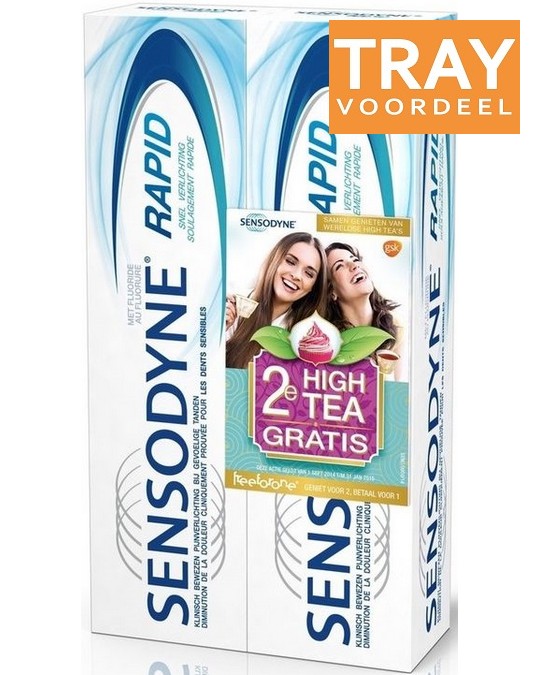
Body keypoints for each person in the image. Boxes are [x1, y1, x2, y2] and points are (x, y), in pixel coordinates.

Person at [226, 232, 327, 369]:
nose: (296, 275)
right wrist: (218, 332)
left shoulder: (306, 339)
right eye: (291, 262)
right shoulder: (235, 304)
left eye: (309, 274)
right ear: (275, 259)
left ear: (313, 287)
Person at [325, 242, 405, 381]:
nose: (354, 265)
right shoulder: (329, 343)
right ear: (332, 291)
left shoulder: (395, 325)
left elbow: (400, 386)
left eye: (355, 259)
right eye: (339, 266)